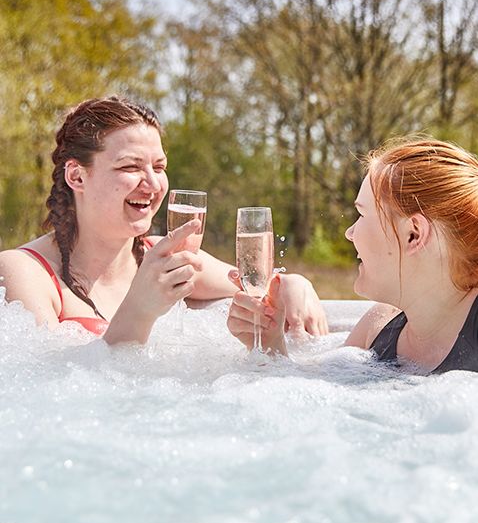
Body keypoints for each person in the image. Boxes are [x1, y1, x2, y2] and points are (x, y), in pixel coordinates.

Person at [0, 96, 327, 345]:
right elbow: (47, 388)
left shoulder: (163, 255)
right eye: (130, 167)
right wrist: (140, 310)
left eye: (158, 167)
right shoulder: (24, 272)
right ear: (77, 176)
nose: (153, 184)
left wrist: (294, 285)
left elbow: (254, 284)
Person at [227, 137, 478, 373]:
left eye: (362, 214)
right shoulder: (377, 328)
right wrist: (269, 345)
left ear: (413, 234)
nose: (349, 233)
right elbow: (309, 396)